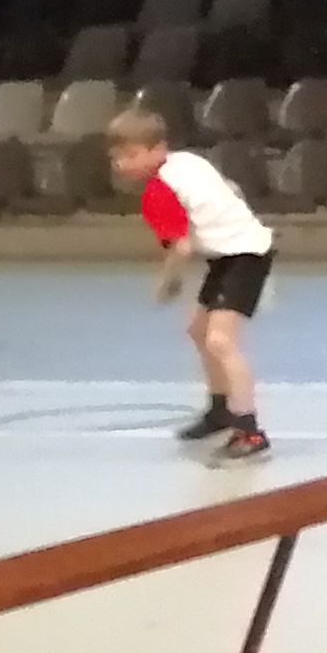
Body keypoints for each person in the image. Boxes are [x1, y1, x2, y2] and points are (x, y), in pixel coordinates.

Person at [109, 108, 274, 462]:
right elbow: (231, 190)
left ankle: (249, 430)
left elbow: (181, 247)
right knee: (198, 329)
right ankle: (220, 410)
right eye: (117, 157)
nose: (122, 164)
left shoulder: (158, 192)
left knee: (219, 340)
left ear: (158, 149)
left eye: (132, 155)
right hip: (229, 253)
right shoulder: (188, 161)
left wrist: (167, 282)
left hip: (245, 255)